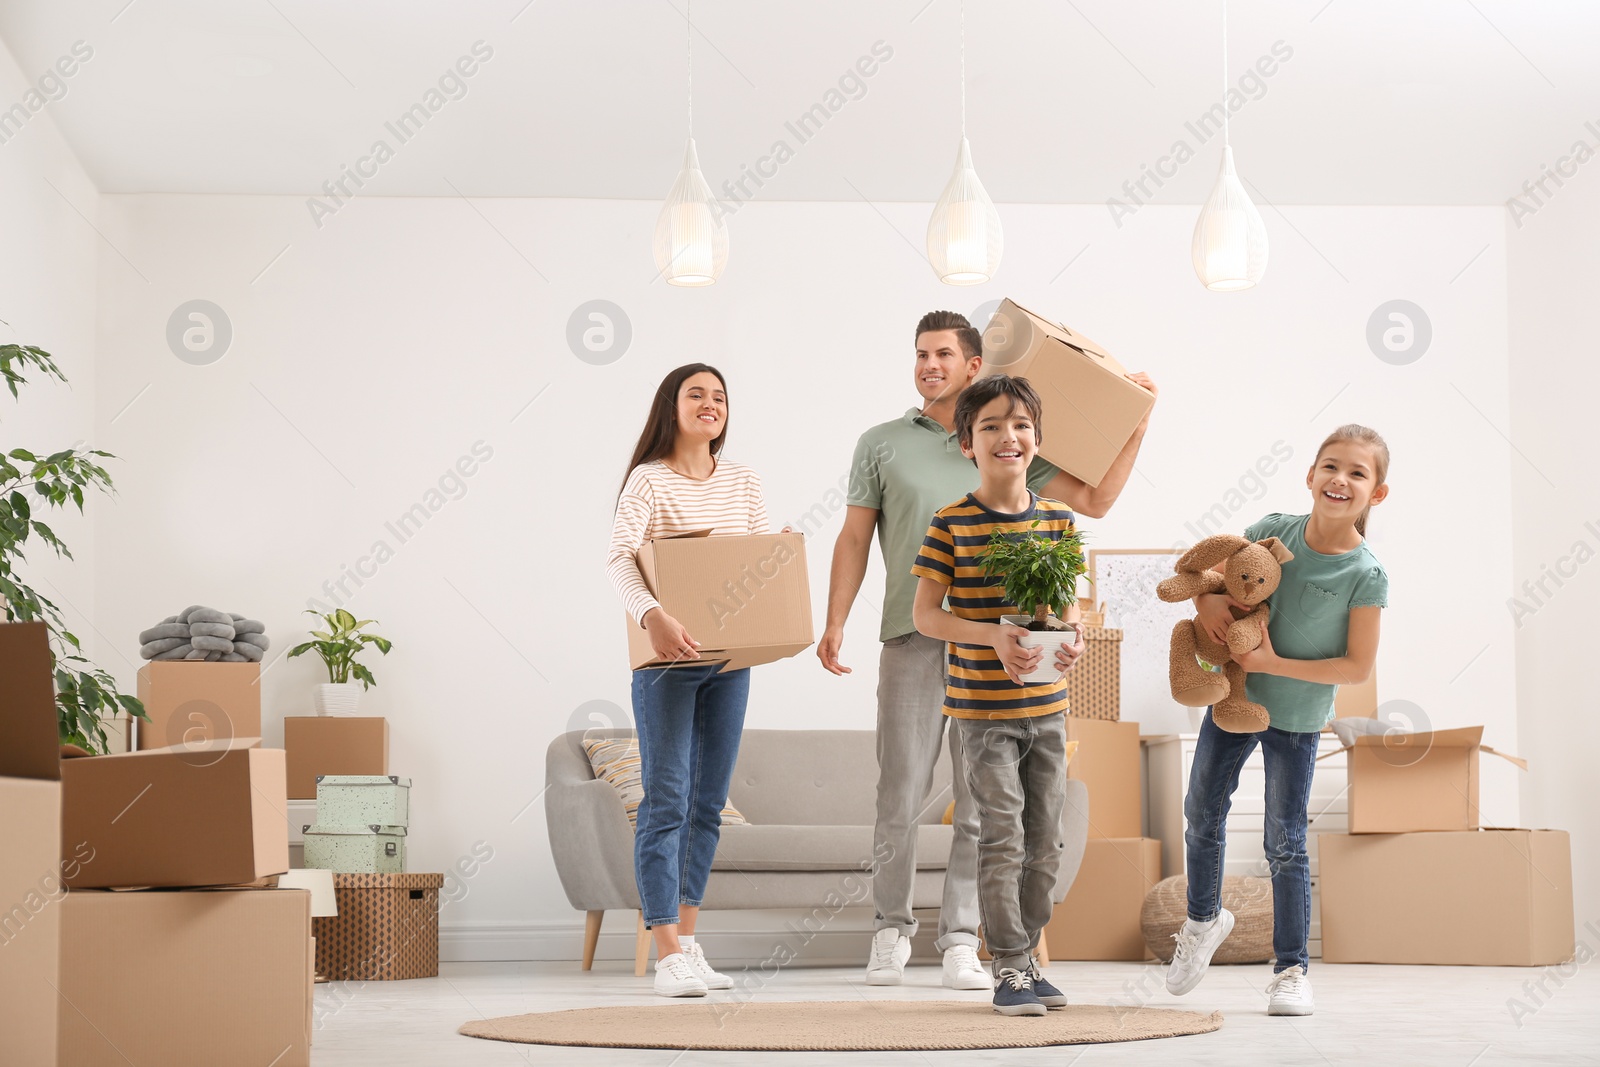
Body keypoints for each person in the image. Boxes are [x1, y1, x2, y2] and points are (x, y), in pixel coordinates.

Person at [819, 310, 1155, 989]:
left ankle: (962, 939)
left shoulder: (1004, 439)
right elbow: (854, 538)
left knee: (980, 803)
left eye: (944, 352)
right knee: (900, 790)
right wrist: (834, 621)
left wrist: (1139, 421)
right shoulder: (882, 443)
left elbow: (1093, 500)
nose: (928, 364)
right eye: (920, 353)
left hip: (1002, 652)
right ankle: (890, 928)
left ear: (976, 365)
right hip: (912, 634)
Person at [1165, 424, 1392, 1016]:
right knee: (1200, 813)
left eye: (1357, 473)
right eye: (1330, 466)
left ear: (1377, 493)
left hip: (1295, 718)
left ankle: (1291, 969)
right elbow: (1216, 582)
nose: (1340, 479)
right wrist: (1210, 603)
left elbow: (1356, 667)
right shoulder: (1272, 530)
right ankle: (1202, 921)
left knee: (1284, 840)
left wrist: (1272, 661)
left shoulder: (1366, 574)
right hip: (1233, 701)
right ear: (1311, 476)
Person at [910, 374, 1087, 1016]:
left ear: (1037, 440)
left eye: (1019, 425)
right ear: (966, 444)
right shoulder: (950, 523)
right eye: (990, 426)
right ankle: (1009, 966)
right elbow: (927, 616)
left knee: (1046, 843)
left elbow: (1069, 615)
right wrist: (993, 636)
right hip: (981, 711)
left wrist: (1072, 644)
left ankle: (1027, 952)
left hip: (1047, 709)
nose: (1006, 436)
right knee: (1002, 835)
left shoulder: (1061, 523)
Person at [605, 363, 767, 998]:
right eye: (696, 394)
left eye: (720, 396)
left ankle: (690, 943)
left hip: (730, 660)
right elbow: (620, 556)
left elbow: (752, 562)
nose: (710, 403)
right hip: (668, 661)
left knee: (708, 804)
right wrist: (654, 617)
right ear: (670, 407)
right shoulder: (648, 481)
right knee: (667, 800)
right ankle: (664, 947)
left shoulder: (745, 481)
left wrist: (776, 556)